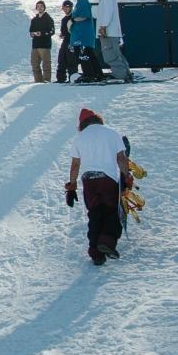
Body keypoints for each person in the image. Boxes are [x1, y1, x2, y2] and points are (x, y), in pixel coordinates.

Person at [65, 108, 133, 265]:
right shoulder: (112, 133)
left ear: (82, 124)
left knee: (95, 214)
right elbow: (121, 159)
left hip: (89, 181)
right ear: (98, 119)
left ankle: (96, 254)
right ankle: (107, 242)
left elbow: (75, 165)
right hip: (107, 179)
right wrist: (127, 176)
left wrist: (72, 186)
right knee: (111, 213)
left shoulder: (79, 138)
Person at [94, 0, 131, 83]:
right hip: (109, 30)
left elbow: (108, 11)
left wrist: (103, 26)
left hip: (108, 30)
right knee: (116, 53)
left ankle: (119, 75)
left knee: (110, 54)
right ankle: (126, 73)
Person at [69, 0, 103, 83]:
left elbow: (84, 16)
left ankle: (89, 75)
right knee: (90, 54)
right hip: (82, 35)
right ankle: (97, 73)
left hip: (83, 35)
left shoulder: (83, 1)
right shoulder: (79, 2)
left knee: (84, 55)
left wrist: (73, 20)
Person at [29, 1, 55, 83]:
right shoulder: (34, 20)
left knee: (46, 64)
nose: (39, 8)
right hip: (35, 45)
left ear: (44, 7)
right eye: (38, 6)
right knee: (34, 64)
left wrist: (42, 33)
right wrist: (33, 34)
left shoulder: (48, 19)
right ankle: (38, 81)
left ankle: (46, 80)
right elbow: (31, 31)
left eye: (41, 6)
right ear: (36, 8)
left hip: (45, 45)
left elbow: (52, 31)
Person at [55, 0, 77, 83]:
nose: (66, 8)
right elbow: (65, 30)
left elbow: (75, 30)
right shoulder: (64, 19)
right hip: (65, 41)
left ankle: (73, 78)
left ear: (71, 7)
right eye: (65, 7)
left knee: (71, 60)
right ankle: (60, 78)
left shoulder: (74, 18)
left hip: (72, 41)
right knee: (61, 59)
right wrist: (62, 34)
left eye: (68, 7)